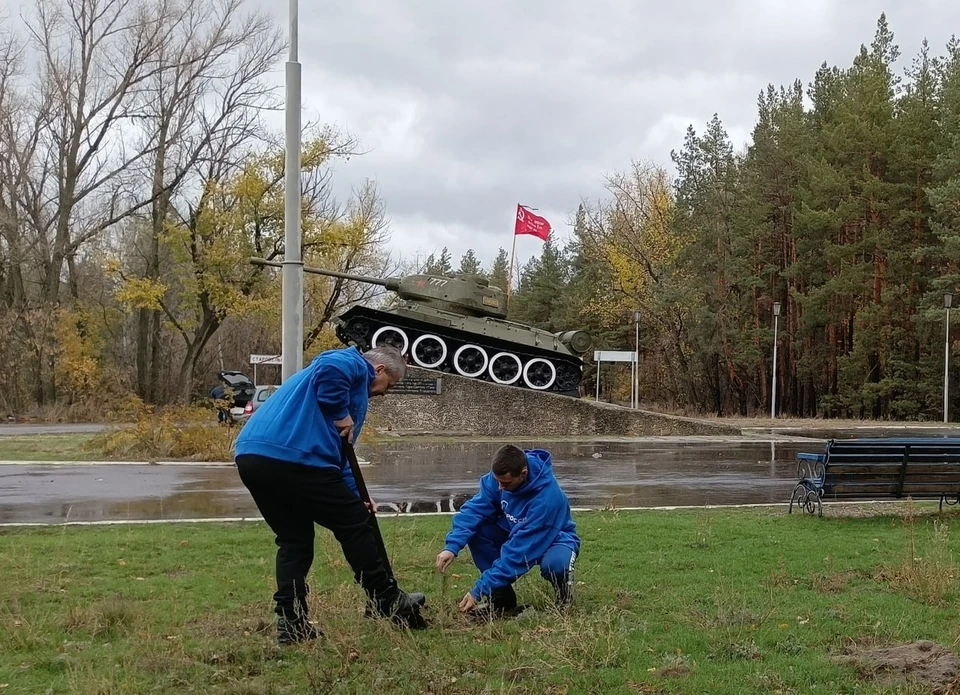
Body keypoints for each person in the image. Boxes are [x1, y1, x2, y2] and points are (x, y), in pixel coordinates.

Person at [234, 344, 427, 645]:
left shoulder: (352, 394)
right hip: (295, 458)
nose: (384, 394)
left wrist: (357, 495)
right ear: (378, 370)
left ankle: (291, 623)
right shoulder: (349, 362)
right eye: (388, 386)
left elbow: (342, 457)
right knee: (354, 524)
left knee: (295, 542)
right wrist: (341, 413)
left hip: (254, 458)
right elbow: (329, 368)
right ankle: (386, 599)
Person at [435, 444, 581, 617]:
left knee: (555, 565)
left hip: (553, 538)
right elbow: (474, 511)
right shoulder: (499, 479)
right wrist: (452, 546)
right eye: (497, 482)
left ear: (524, 474)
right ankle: (502, 600)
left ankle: (564, 597)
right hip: (515, 531)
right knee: (479, 530)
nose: (500, 488)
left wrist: (480, 589)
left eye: (505, 483)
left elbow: (520, 553)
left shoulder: (547, 499)